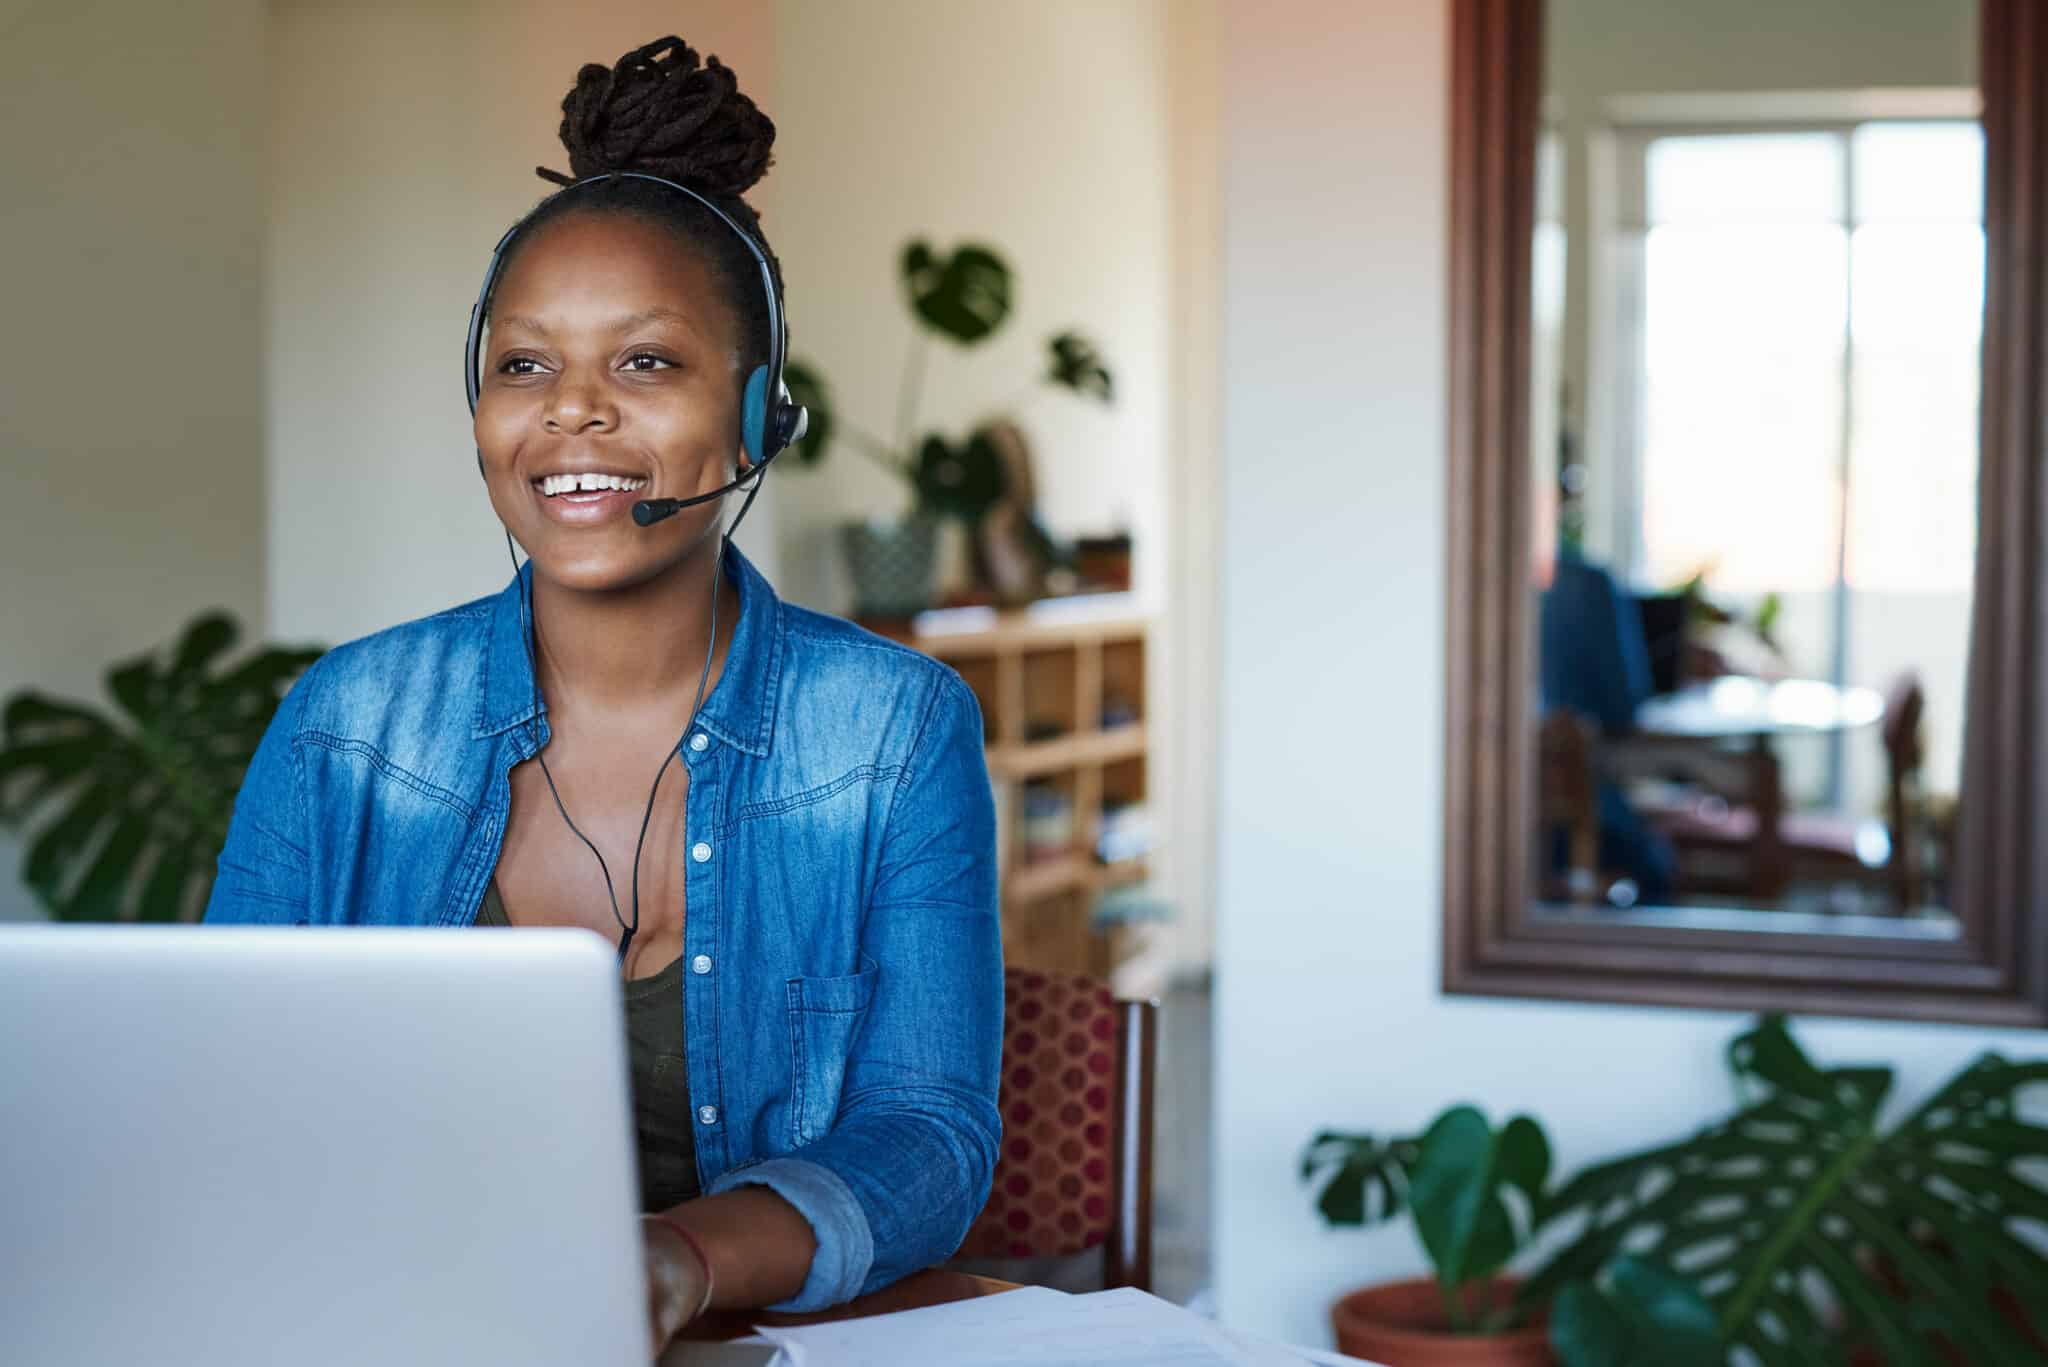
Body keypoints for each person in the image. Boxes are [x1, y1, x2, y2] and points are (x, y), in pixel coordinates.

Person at [205, 36, 1001, 1356]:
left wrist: (678, 1264)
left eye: (645, 363)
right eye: (524, 367)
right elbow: (217, 1095)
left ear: (758, 419)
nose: (571, 415)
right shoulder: (343, 725)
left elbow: (927, 1131)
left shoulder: (892, 731)